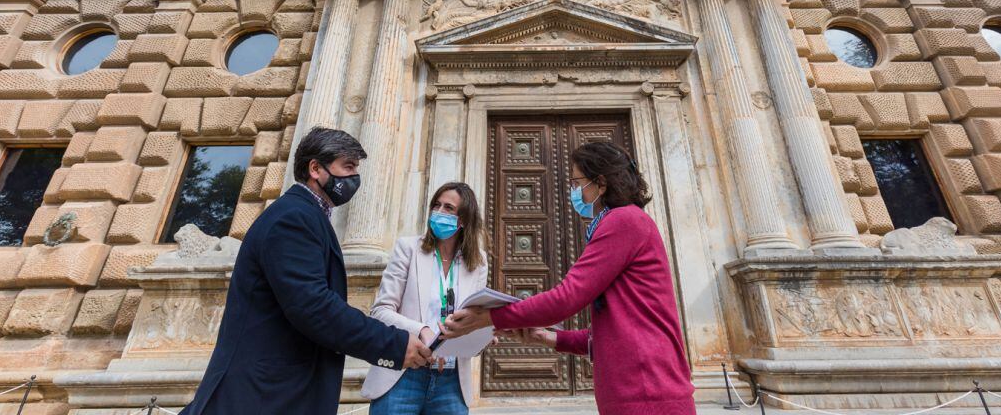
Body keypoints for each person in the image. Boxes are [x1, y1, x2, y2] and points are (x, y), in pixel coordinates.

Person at [180, 127, 433, 415]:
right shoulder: (294, 218)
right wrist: (394, 345)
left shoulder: (304, 215)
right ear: (315, 168)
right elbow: (314, 307)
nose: (354, 178)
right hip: (264, 394)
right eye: (347, 167)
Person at [441, 142, 695, 415]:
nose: (574, 192)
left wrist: (490, 317)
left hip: (647, 393)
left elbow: (567, 298)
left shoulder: (623, 221)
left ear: (600, 183)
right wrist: (549, 339)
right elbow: (614, 335)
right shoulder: (626, 222)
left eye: (577, 182)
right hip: (639, 390)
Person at [362, 181, 488, 415]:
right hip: (402, 376)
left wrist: (483, 334)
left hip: (451, 384)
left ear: (464, 220)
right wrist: (422, 330)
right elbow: (380, 311)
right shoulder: (408, 248)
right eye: (436, 205)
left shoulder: (478, 262)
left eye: (448, 208)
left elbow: (471, 320)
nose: (438, 212)